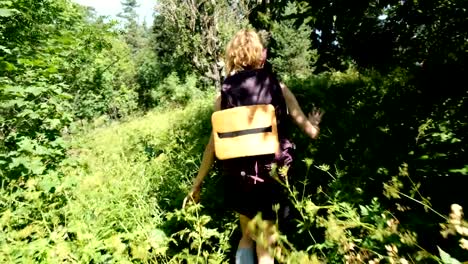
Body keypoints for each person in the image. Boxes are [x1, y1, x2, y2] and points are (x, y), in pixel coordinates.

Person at [183, 29, 323, 264]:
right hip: (271, 177)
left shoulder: (223, 97)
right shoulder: (279, 88)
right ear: (261, 55)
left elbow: (212, 146)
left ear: (233, 57)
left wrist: (197, 184)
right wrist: (315, 123)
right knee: (266, 246)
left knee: (247, 235)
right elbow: (310, 133)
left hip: (239, 179)